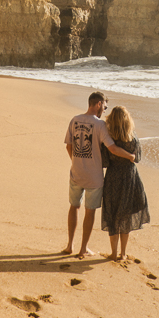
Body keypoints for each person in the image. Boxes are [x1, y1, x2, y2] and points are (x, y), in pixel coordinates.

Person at [64, 91, 135, 259]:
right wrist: (130, 156)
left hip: (76, 173)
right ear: (98, 104)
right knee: (90, 212)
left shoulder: (74, 120)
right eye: (104, 106)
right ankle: (83, 249)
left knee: (74, 207)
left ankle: (69, 245)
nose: (104, 109)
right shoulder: (100, 125)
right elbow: (112, 148)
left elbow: (69, 145)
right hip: (94, 177)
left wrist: (76, 162)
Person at [101, 105, 150, 261]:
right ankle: (123, 253)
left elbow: (104, 162)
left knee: (113, 213)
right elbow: (138, 158)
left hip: (113, 176)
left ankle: (114, 253)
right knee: (125, 214)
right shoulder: (133, 137)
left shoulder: (108, 139)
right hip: (129, 177)